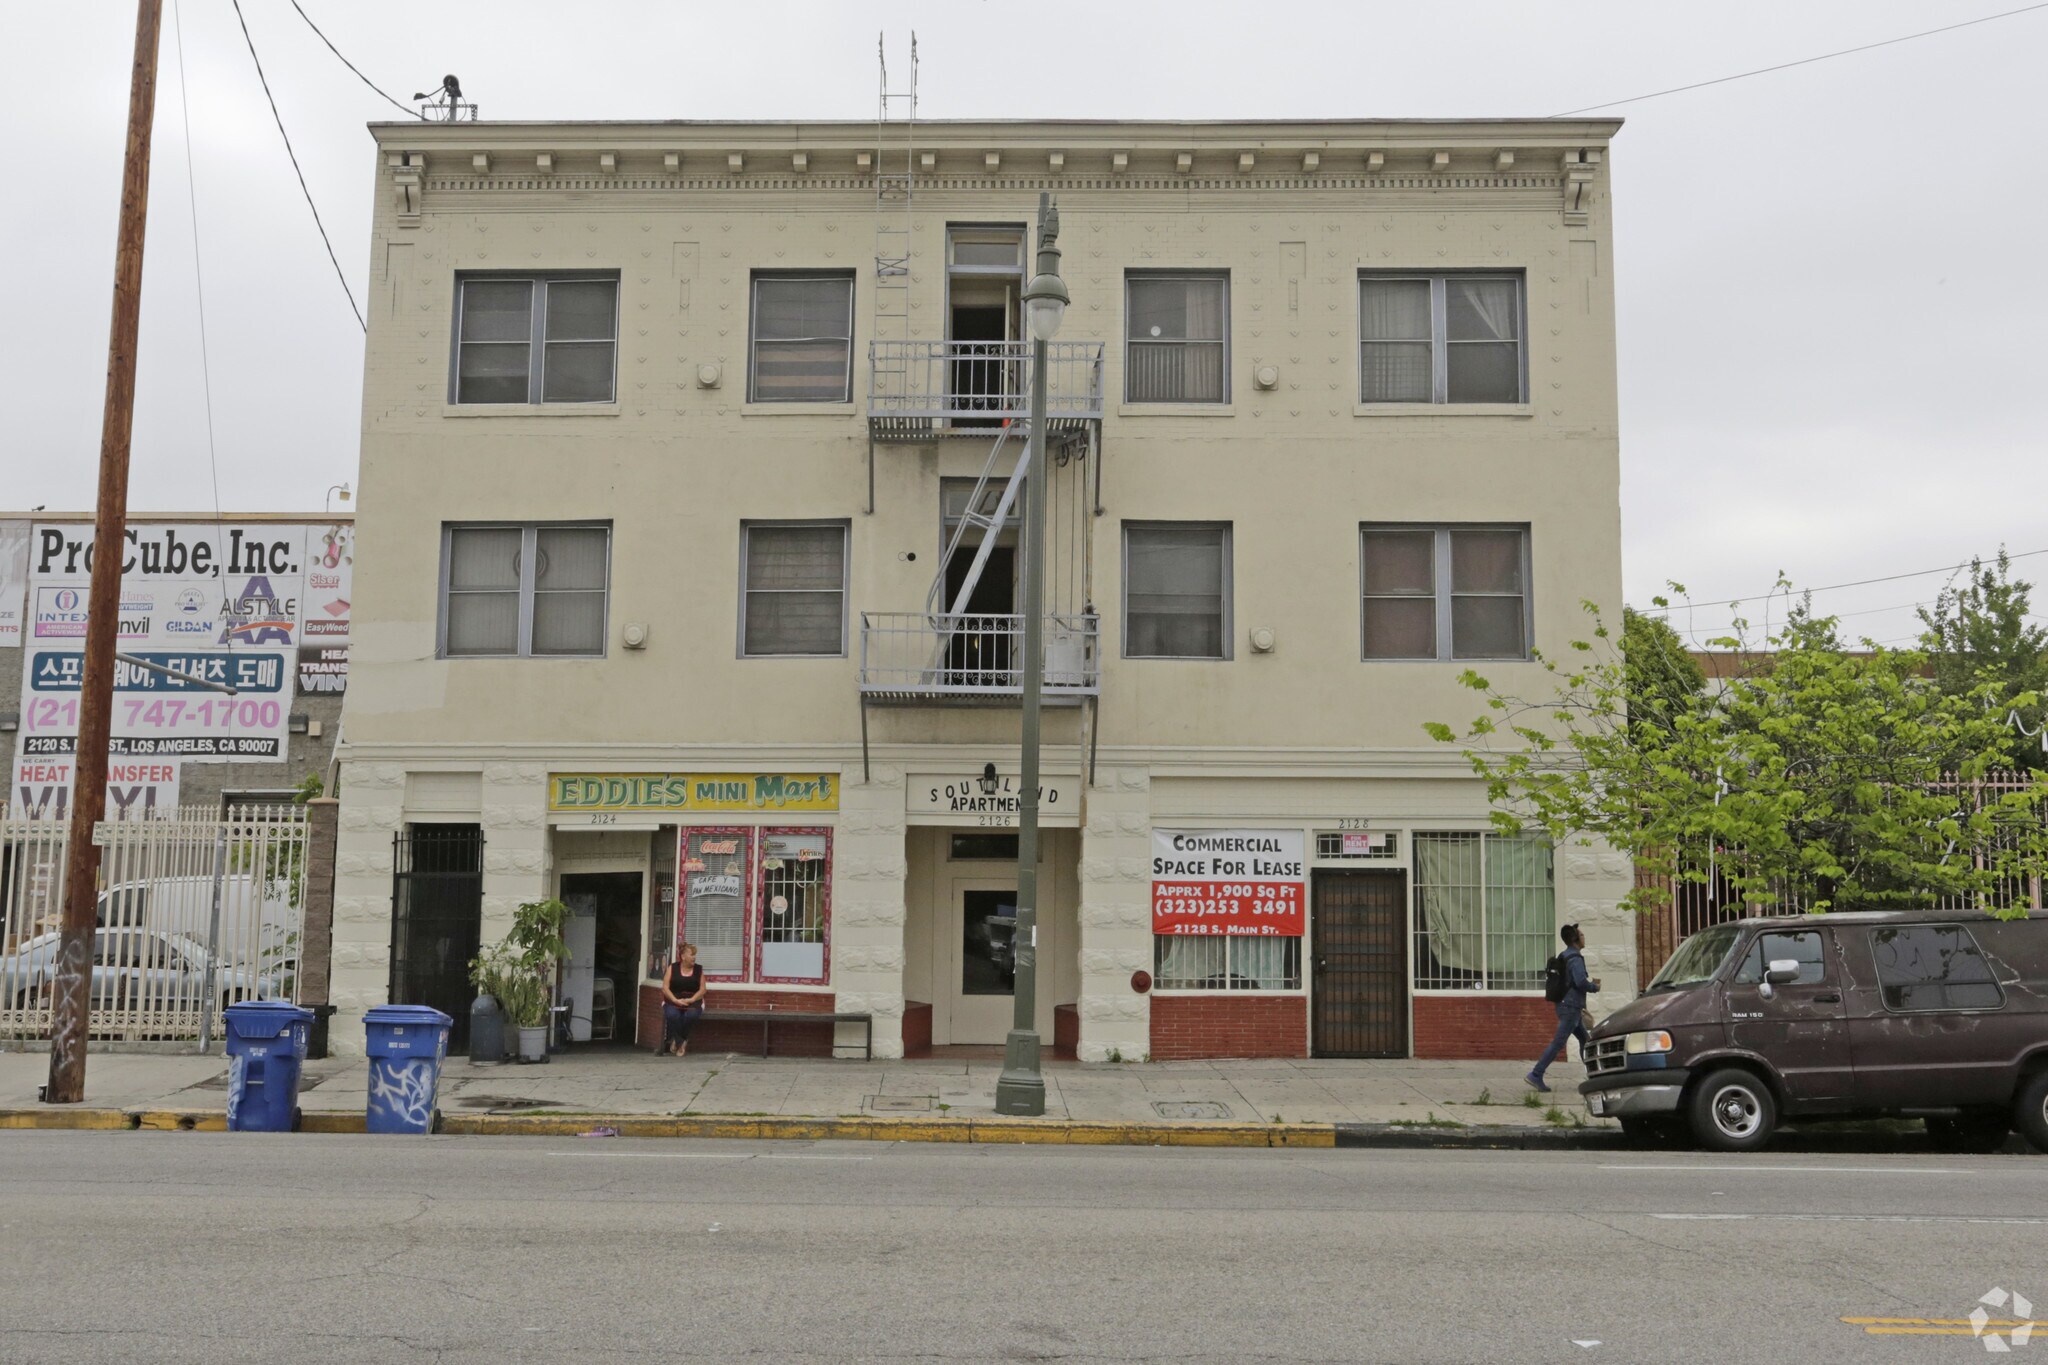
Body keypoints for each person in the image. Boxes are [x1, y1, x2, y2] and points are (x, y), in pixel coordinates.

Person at [1527, 923, 1600, 1093]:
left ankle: (1594, 1075)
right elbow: (1580, 982)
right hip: (1571, 1007)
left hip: (1565, 1005)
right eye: (1581, 935)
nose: (1583, 937)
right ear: (1575, 939)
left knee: (1585, 1040)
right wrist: (1594, 987)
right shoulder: (1575, 959)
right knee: (1559, 1042)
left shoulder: (1564, 955)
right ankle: (1536, 1074)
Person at [661, 943, 706, 1057]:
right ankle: (681, 1042)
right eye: (691, 955)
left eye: (695, 955)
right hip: (673, 999)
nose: (694, 957)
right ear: (683, 956)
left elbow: (702, 989)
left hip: (693, 1000)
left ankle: (678, 1040)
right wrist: (675, 1000)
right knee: (672, 1015)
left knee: (690, 1015)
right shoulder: (673, 968)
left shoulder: (698, 969)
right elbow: (665, 987)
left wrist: (692, 999)